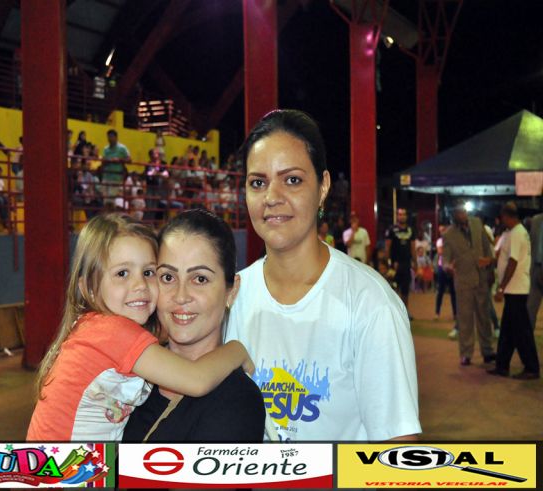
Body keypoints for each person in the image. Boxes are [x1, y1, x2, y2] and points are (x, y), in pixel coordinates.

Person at [226, 109, 421, 441]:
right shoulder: (233, 297)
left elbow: (397, 445)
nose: (272, 198)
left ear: (323, 187)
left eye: (292, 180)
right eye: (258, 182)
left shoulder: (370, 303)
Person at [26, 214, 253, 441]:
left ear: (231, 290)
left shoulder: (236, 401)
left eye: (148, 273)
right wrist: (236, 349)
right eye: (122, 273)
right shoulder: (111, 332)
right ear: (89, 289)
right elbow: (197, 379)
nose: (140, 285)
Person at [124, 210, 265, 442]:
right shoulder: (127, 379)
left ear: (232, 291)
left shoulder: (238, 400)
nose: (181, 296)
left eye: (200, 279)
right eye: (168, 277)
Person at [488, 203, 540, 380]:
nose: (501, 220)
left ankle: (531, 367)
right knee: (508, 330)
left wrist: (501, 287)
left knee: (521, 331)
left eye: (502, 217)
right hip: (515, 289)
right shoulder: (514, 232)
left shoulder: (517, 233)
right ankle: (502, 365)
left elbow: (513, 262)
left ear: (506, 216)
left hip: (516, 289)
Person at [442, 200, 495, 367]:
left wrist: (490, 268)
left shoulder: (477, 223)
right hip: (463, 282)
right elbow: (445, 259)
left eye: (464, 211)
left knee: (484, 317)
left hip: (481, 279)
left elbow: (487, 248)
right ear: (453, 215)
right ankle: (466, 353)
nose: (462, 214)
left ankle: (487, 351)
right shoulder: (448, 235)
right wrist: (447, 267)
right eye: (459, 212)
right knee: (465, 320)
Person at [386, 208, 417, 312]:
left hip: (406, 264)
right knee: (394, 289)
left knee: (405, 290)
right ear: (397, 216)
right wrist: (388, 263)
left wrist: (415, 262)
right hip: (395, 264)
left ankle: (405, 312)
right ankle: (394, 312)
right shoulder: (392, 230)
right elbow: (388, 247)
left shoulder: (410, 230)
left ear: (406, 216)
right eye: (400, 214)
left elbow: (413, 247)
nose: (402, 216)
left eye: (403, 214)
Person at [434, 224, 458, 336]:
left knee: (453, 292)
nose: (442, 232)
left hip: (451, 268)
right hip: (442, 268)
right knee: (440, 291)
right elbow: (440, 252)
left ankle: (455, 314)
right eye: (441, 231)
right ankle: (437, 313)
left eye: (444, 230)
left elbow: (455, 254)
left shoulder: (452, 241)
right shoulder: (440, 241)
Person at [101, 129, 131, 198]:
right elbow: (103, 161)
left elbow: (129, 160)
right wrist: (108, 160)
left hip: (116, 178)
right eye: (108, 137)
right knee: (104, 198)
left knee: (111, 199)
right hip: (106, 176)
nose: (110, 139)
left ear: (116, 137)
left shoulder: (122, 148)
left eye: (111, 137)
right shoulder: (106, 149)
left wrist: (119, 160)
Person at [526, 212, 543, 329]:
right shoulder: (536, 220)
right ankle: (528, 338)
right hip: (535, 269)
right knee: (530, 309)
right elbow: (531, 246)